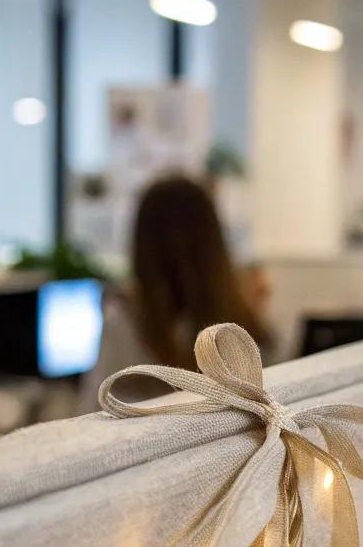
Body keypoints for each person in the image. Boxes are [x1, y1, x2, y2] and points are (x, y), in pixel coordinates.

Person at [80, 174, 271, 408]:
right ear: (213, 238)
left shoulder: (126, 318)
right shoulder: (238, 315)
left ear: (144, 243)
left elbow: (90, 409)